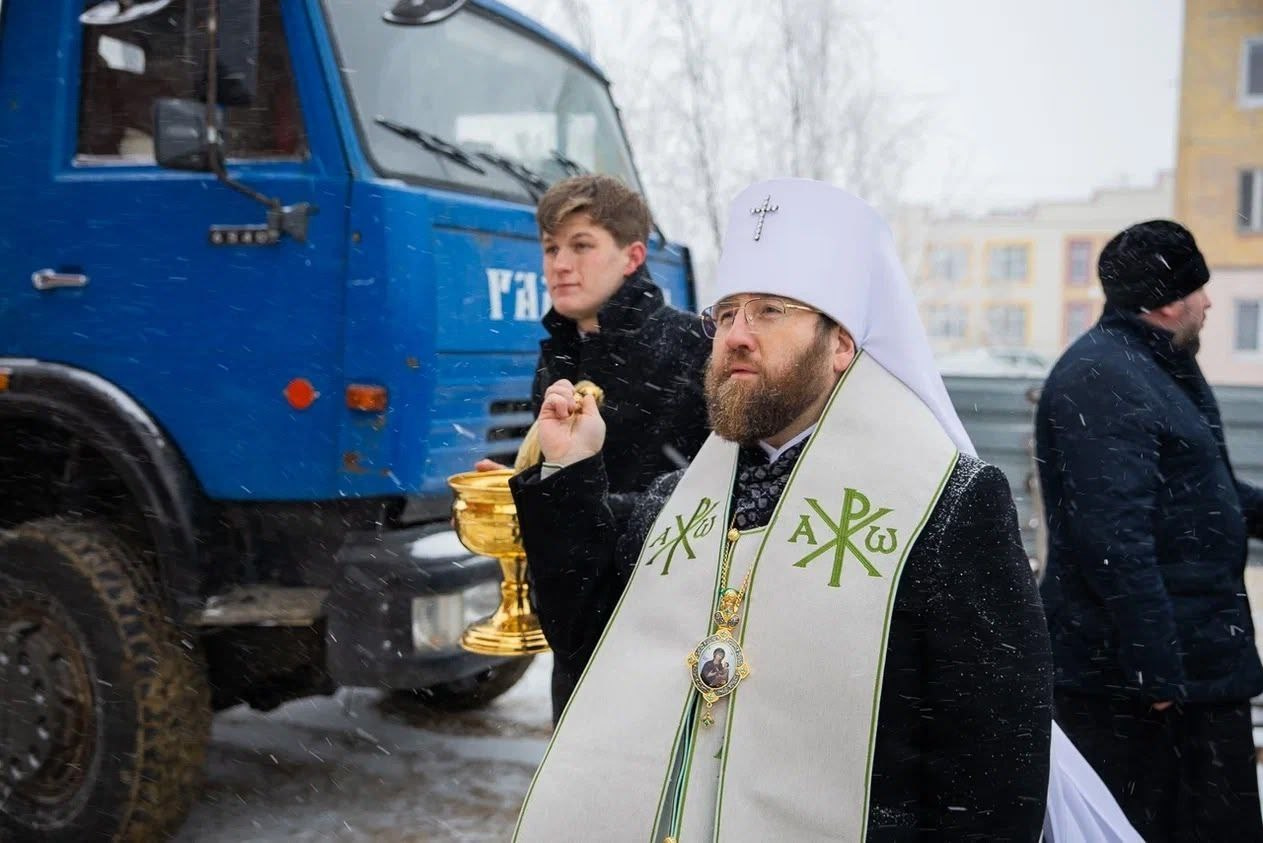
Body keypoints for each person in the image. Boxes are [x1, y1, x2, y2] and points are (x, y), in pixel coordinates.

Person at [509, 179, 1053, 840]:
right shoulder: (681, 498)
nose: (736, 335)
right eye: (727, 313)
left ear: (840, 343)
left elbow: (990, 771)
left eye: (769, 311)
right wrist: (568, 475)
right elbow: (581, 638)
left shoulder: (945, 505)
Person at [1036, 220, 1263, 841]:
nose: (1210, 302)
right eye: (1200, 289)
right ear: (1166, 301)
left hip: (1193, 674)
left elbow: (1199, 497)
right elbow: (1112, 537)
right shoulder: (1105, 379)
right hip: (1143, 693)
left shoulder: (1151, 368)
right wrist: (1157, 672)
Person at [475, 174, 711, 721]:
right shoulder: (561, 351)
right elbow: (577, 469)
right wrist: (527, 483)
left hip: (660, 632)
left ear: (631, 257)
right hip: (576, 625)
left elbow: (708, 497)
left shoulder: (694, 347)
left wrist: (581, 504)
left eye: (582, 246)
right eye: (552, 248)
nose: (560, 263)